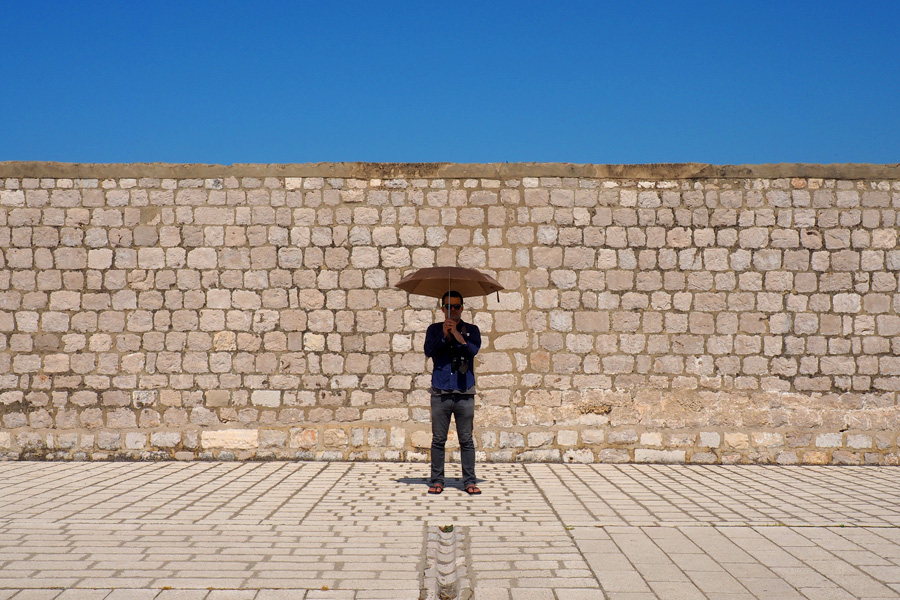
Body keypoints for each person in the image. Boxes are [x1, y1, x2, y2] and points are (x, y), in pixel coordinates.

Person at [423, 290, 482, 495]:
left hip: (464, 391)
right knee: (438, 439)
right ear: (442, 308)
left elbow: (473, 350)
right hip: (440, 391)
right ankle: (437, 481)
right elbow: (429, 351)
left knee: (466, 439)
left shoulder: (472, 330)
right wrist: (444, 336)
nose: (453, 310)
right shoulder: (433, 330)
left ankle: (469, 481)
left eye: (456, 306)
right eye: (448, 306)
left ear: (462, 308)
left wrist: (457, 335)